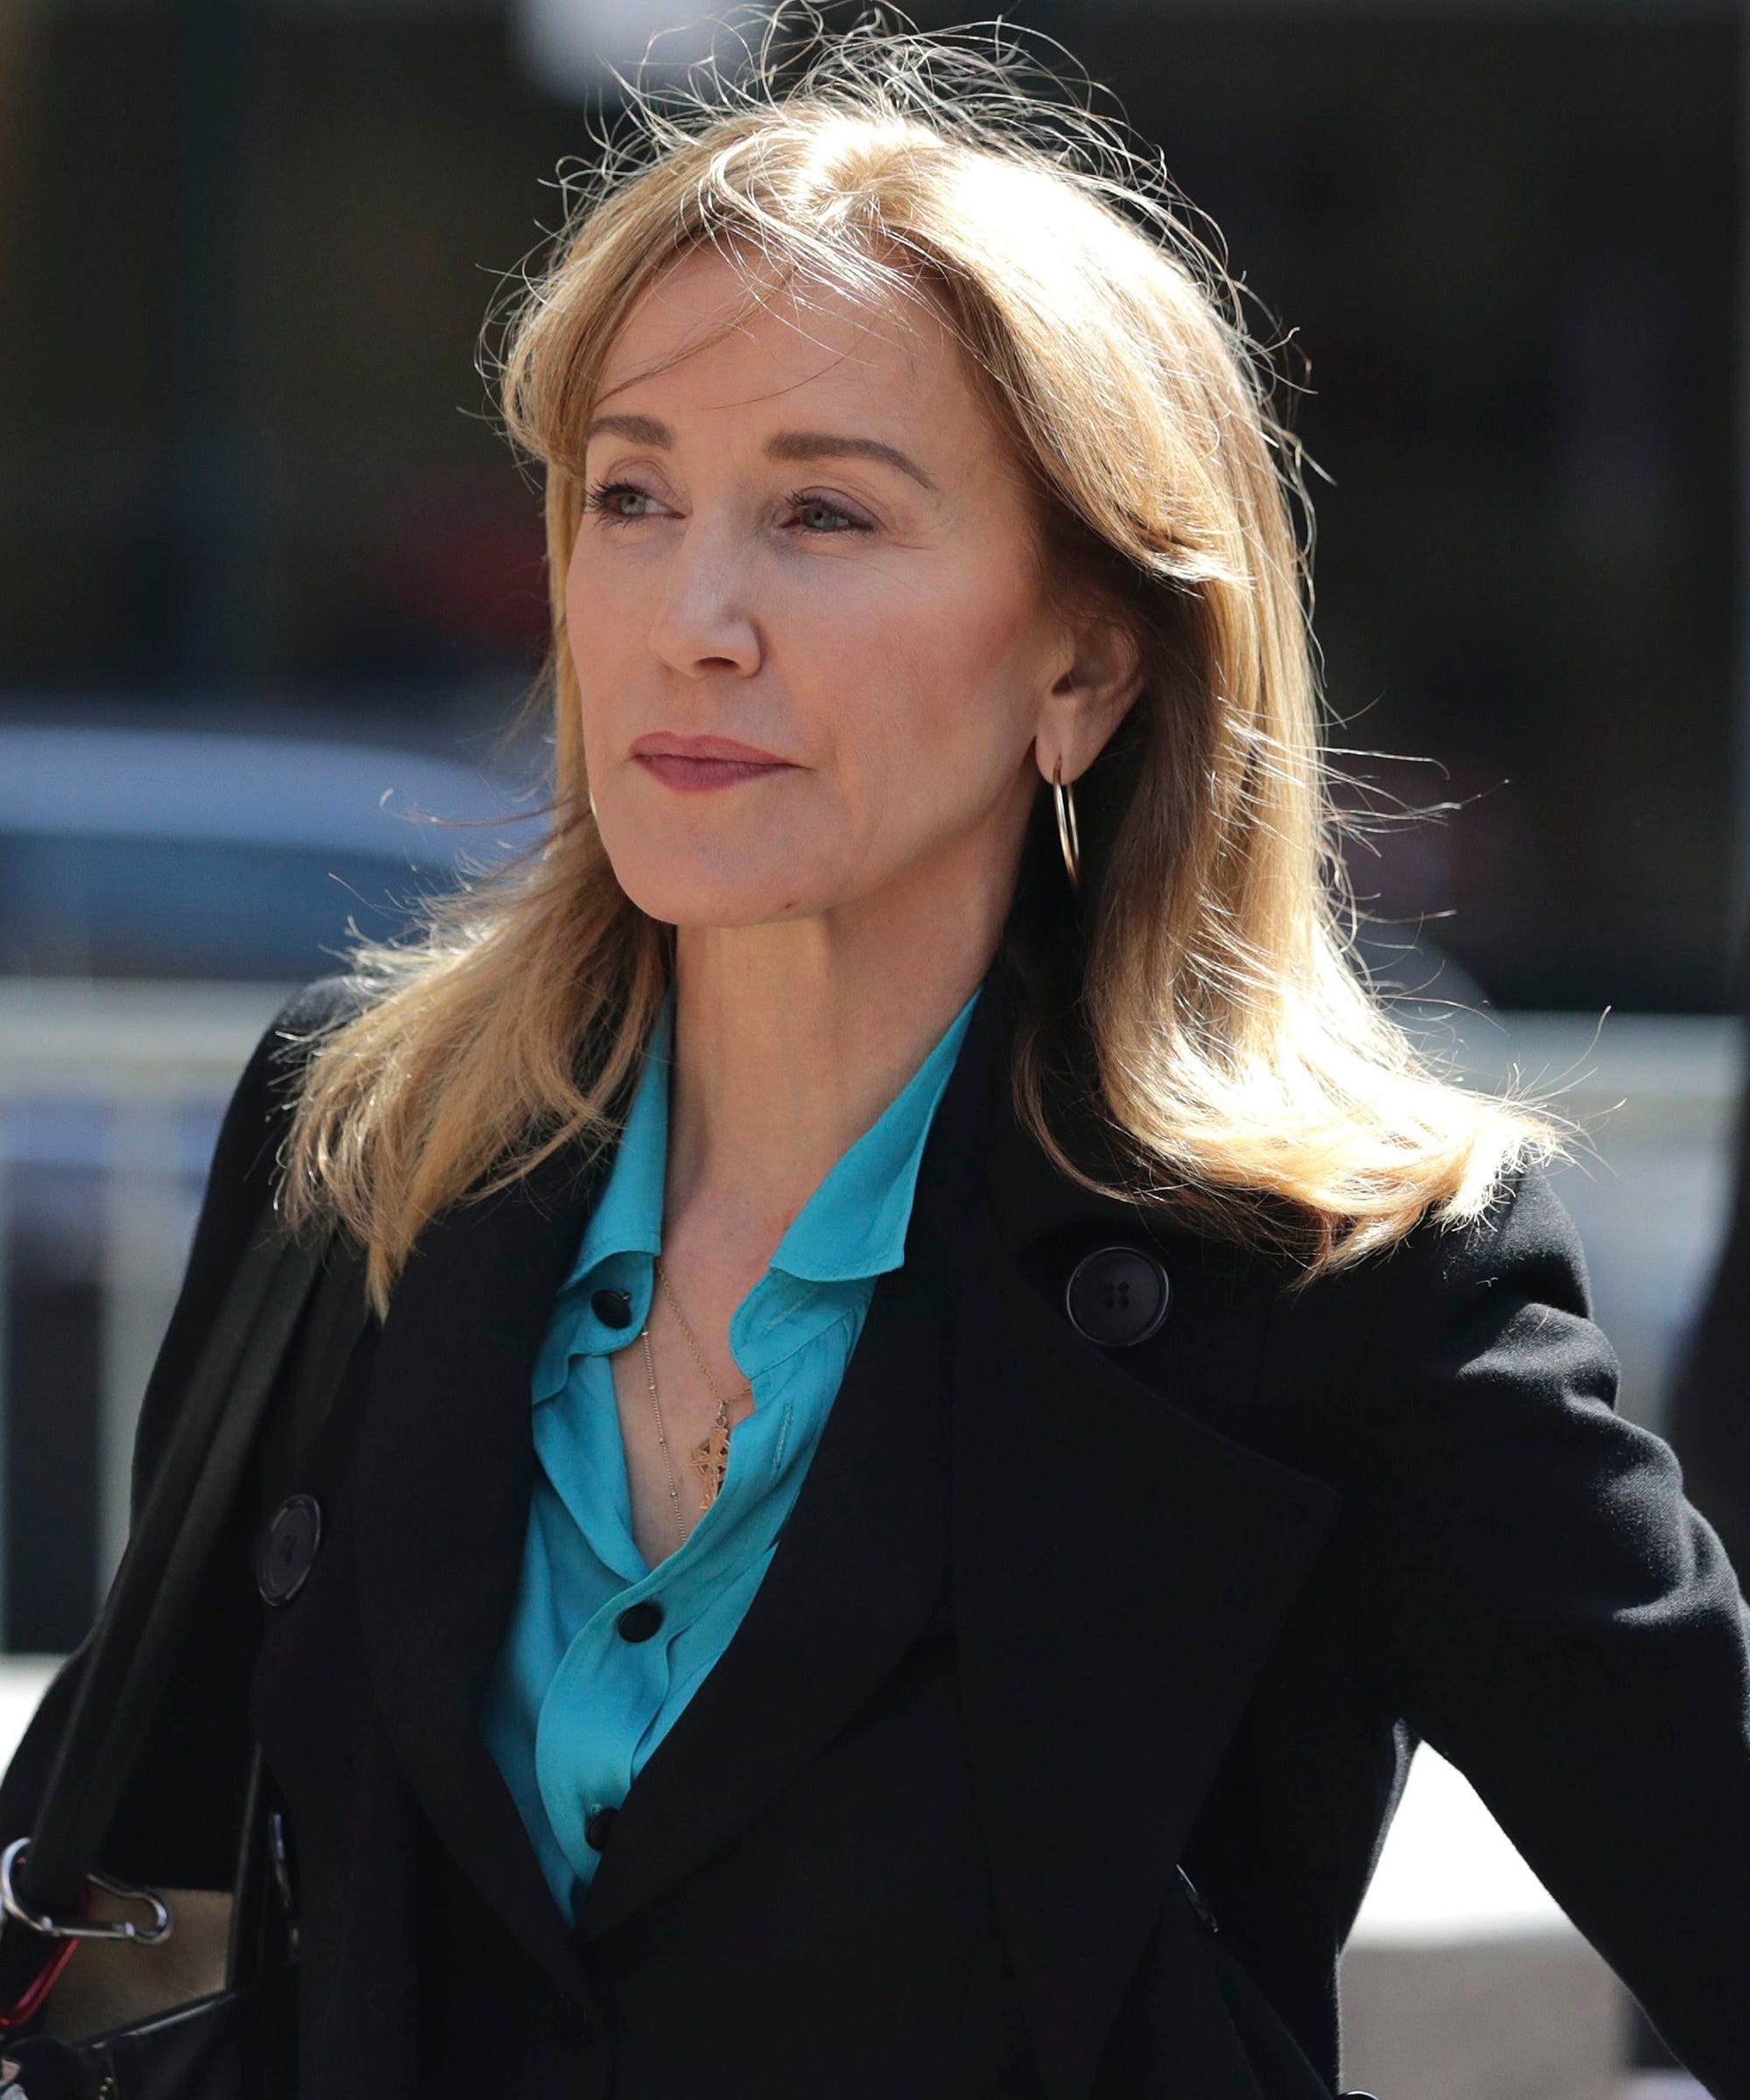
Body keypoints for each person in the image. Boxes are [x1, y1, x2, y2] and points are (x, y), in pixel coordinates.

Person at [18, 24, 1750, 2099]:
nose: (692, 613)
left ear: (1083, 664)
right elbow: (144, 1869)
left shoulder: (1346, 1282)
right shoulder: (364, 1141)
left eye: (823, 514)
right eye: (629, 495)